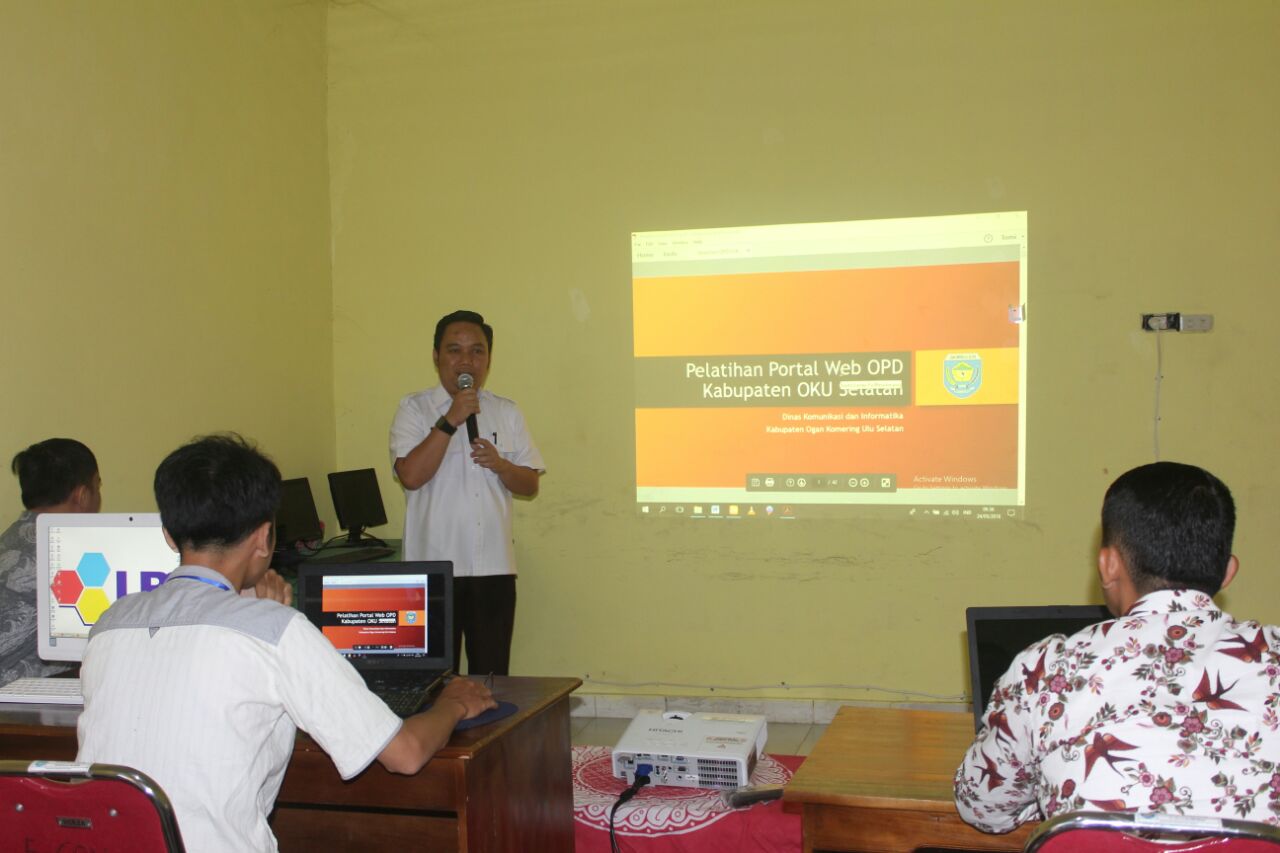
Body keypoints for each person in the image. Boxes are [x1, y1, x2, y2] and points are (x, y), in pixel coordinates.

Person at [76, 434, 495, 852]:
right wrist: (454, 703)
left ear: (169, 534)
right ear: (264, 538)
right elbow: (405, 755)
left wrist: (255, 610)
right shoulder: (275, 631)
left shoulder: (109, 625)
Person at [955, 462, 1280, 831]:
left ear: (1108, 565)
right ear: (1228, 572)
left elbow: (982, 806)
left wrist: (1053, 796)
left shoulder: (1045, 671)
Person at [390, 310, 543, 676]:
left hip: (493, 567)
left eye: (477, 351)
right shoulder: (413, 409)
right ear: (436, 356)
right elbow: (410, 475)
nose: (466, 361)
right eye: (454, 350)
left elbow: (530, 484)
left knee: (491, 679)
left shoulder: (506, 411)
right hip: (432, 568)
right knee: (431, 681)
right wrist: (450, 419)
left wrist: (502, 465)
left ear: (488, 358)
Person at [0, 438, 101, 685]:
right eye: (97, 486)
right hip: (30, 697)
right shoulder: (77, 555)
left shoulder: (8, 542)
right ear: (83, 495)